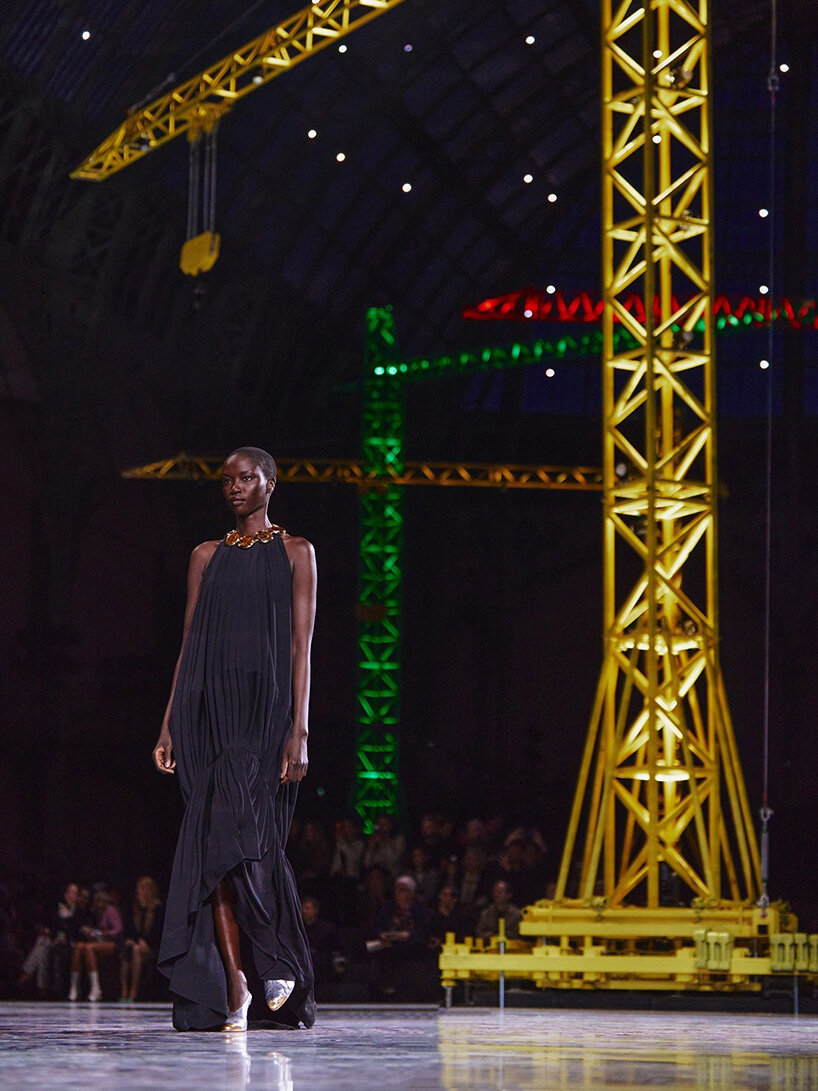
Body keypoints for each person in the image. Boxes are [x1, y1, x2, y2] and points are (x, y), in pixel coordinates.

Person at [153, 447, 317, 1032]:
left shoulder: (296, 553)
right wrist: (171, 721)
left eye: (247, 478)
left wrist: (298, 729)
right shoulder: (207, 556)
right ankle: (237, 983)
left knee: (247, 837)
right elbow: (189, 643)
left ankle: (275, 957)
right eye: (227, 480)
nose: (235, 487)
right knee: (212, 855)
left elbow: (301, 648)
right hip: (206, 717)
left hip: (265, 715)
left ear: (271, 483)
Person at [70, 888, 123, 1001]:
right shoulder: (96, 913)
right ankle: (78, 986)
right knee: (81, 947)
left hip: (113, 943)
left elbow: (117, 930)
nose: (98, 903)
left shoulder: (110, 911)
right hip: (99, 942)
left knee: (88, 947)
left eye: (100, 900)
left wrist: (103, 933)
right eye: (96, 900)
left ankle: (95, 987)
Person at [120, 876, 165, 1002]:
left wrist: (146, 942)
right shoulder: (133, 909)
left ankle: (133, 990)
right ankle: (125, 990)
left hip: (153, 947)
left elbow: (159, 932)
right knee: (132, 949)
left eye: (142, 888)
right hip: (136, 946)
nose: (138, 891)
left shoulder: (159, 909)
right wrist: (133, 939)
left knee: (136, 949)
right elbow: (129, 930)